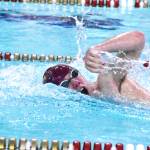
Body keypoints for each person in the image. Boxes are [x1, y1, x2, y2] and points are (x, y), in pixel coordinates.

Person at [43, 31, 150, 102]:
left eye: (74, 74)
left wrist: (98, 49)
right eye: (65, 83)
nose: (75, 82)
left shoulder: (106, 78)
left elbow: (138, 38)